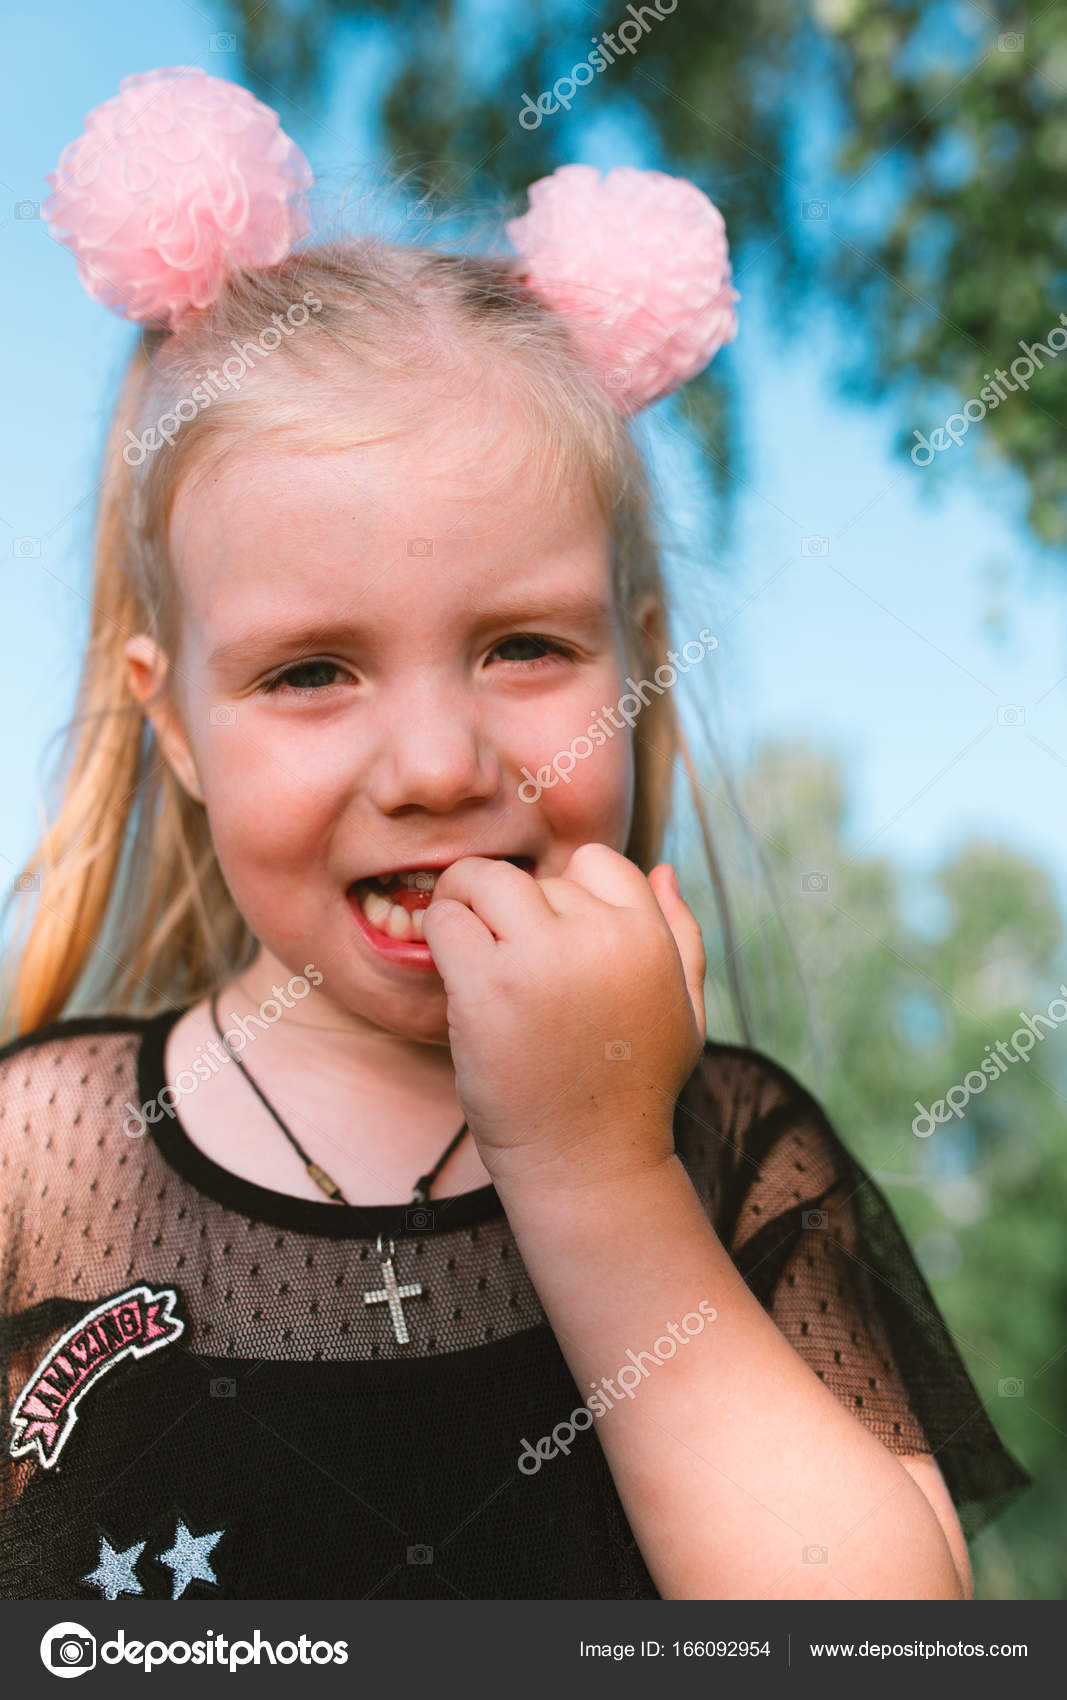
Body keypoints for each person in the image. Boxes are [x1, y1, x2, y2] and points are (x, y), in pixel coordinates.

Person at [0, 66, 1030, 1603]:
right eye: (309, 672)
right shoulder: (40, 1159)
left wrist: (600, 1173)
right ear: (175, 729)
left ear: (641, 654)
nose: (433, 764)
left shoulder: (731, 1150)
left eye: (525, 649)